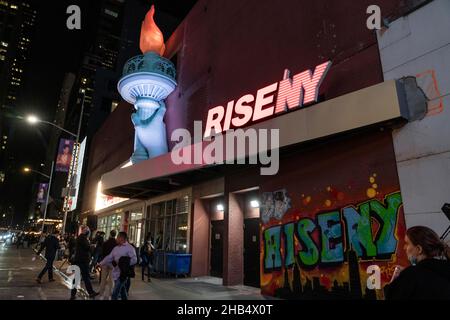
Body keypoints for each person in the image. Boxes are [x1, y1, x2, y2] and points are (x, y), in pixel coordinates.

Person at [384, 226, 450, 299]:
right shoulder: (445, 269)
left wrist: (396, 281)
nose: (404, 248)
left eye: (407, 243)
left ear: (419, 249)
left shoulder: (411, 275)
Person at [100, 232, 137, 300]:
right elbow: (109, 257)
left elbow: (134, 259)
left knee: (115, 294)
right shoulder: (115, 248)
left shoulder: (130, 248)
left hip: (123, 274)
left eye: (117, 237)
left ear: (121, 238)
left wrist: (124, 264)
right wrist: (101, 263)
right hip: (116, 273)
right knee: (122, 291)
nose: (116, 239)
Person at [70, 225, 99, 300]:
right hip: (82, 261)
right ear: (85, 230)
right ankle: (90, 292)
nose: (89, 232)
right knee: (85, 277)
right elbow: (87, 248)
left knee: (79, 277)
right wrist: (92, 246)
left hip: (80, 260)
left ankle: (74, 294)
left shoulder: (81, 237)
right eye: (87, 230)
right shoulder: (82, 238)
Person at [98, 230, 117, 300]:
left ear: (110, 234)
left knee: (103, 279)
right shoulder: (116, 244)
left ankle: (101, 295)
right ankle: (110, 295)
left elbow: (102, 253)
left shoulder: (105, 243)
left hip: (105, 263)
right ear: (115, 235)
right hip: (112, 264)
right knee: (111, 281)